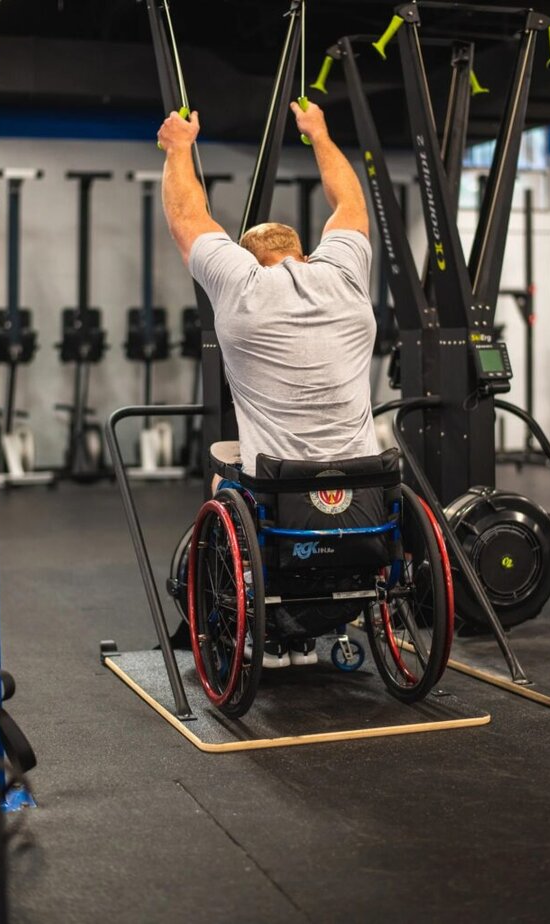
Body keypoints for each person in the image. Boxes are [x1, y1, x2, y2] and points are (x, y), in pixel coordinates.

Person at [158, 100, 379, 667]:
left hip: (280, 488)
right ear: (304, 254)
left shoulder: (241, 287)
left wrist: (179, 147)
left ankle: (240, 615)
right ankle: (327, 621)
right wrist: (320, 134)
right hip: (368, 487)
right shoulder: (344, 275)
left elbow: (188, 218)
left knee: (221, 465)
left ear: (249, 260)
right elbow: (351, 202)